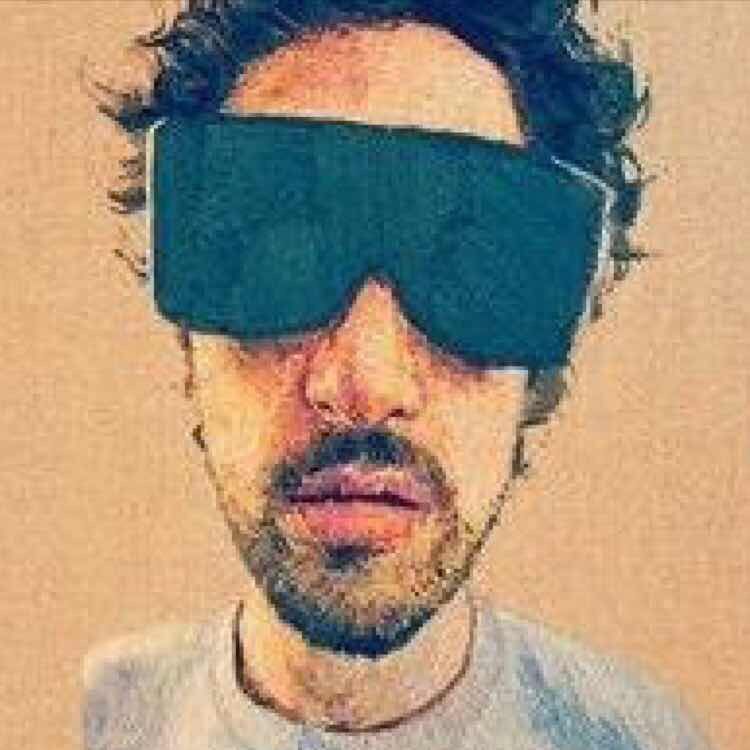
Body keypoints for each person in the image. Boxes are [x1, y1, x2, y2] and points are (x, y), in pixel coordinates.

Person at [83, 1, 711, 748]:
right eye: (281, 260)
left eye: (468, 270)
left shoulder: (646, 737)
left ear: (537, 384)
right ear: (193, 350)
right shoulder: (91, 719)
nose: (367, 386)